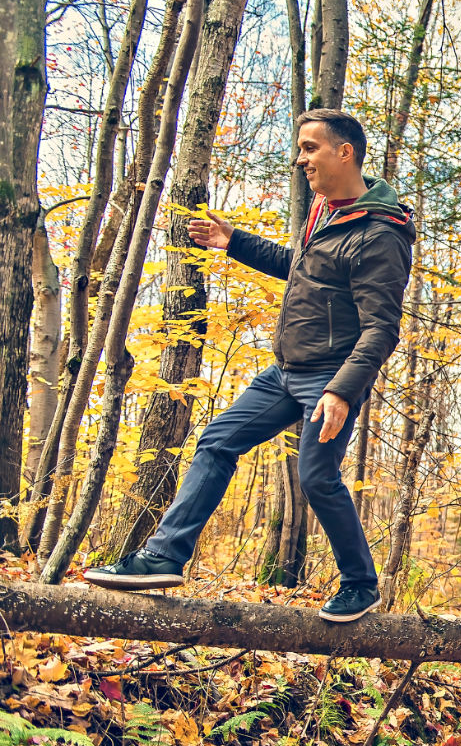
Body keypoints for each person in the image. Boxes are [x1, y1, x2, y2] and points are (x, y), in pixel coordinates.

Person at [84, 108, 416, 623]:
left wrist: (342, 391)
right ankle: (164, 555)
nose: (299, 159)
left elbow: (381, 327)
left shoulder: (379, 234)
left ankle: (360, 584)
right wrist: (233, 242)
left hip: (328, 379)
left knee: (316, 479)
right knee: (217, 440)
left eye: (310, 148)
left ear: (344, 152)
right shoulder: (328, 212)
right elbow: (303, 269)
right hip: (285, 372)